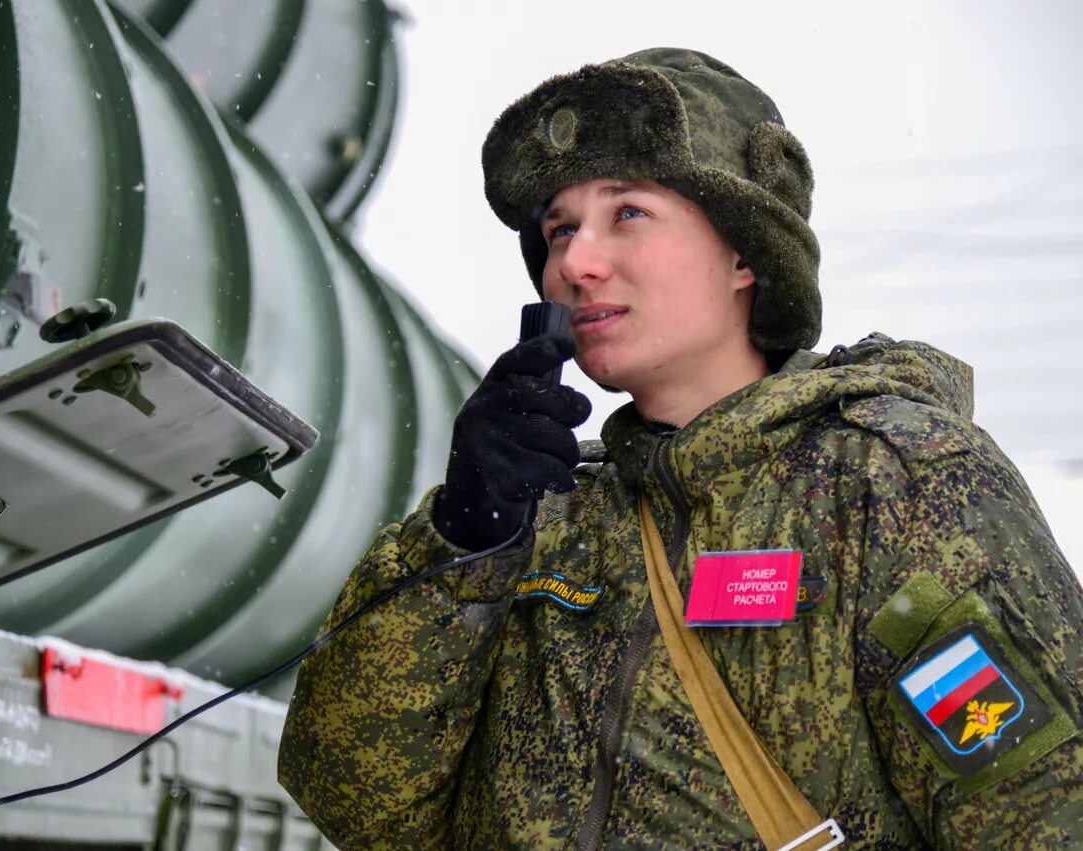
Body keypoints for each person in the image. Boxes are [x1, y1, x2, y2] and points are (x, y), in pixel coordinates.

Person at [278, 48, 1083, 848]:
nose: (574, 264)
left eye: (627, 213)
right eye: (559, 230)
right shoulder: (547, 515)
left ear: (744, 252)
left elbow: (1042, 814)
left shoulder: (892, 485)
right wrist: (462, 542)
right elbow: (355, 797)